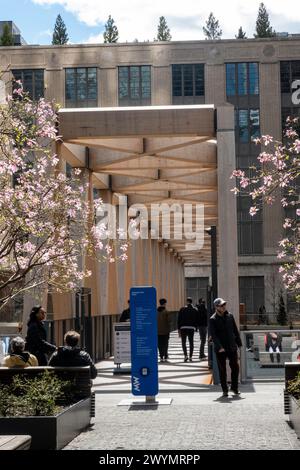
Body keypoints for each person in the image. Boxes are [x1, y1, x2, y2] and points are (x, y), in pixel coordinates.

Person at [209, 298, 242, 397]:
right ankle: (225, 390)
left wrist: (239, 344)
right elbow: (213, 335)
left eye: (224, 305)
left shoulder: (230, 316)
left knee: (235, 367)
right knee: (222, 369)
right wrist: (219, 347)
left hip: (231, 346)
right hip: (221, 348)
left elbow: (235, 331)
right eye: (221, 305)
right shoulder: (213, 319)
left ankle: (234, 388)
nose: (223, 307)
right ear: (216, 307)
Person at [177, 297, 198, 362]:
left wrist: (179, 329)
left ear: (187, 302)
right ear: (191, 302)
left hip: (183, 327)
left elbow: (179, 319)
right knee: (191, 342)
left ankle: (185, 355)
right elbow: (196, 319)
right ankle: (191, 356)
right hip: (191, 328)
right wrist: (196, 328)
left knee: (184, 342)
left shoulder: (182, 309)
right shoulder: (195, 310)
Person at [157, 298, 172, 363]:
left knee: (159, 344)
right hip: (165, 331)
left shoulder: (155, 311)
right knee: (165, 344)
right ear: (165, 303)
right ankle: (165, 355)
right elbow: (169, 321)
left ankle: (161, 356)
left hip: (157, 331)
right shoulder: (166, 312)